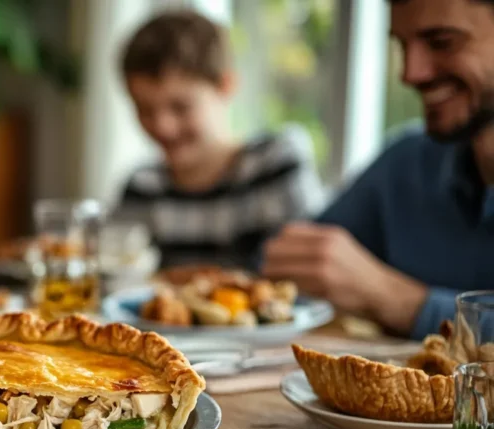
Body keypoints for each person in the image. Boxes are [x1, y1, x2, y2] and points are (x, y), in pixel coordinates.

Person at [262, 0, 494, 340]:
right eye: (401, 44)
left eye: (442, 42)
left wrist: (395, 300)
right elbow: (280, 271)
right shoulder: (405, 164)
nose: (410, 73)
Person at [116, 10, 325, 270]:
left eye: (180, 107)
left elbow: (307, 277)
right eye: (145, 109)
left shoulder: (274, 165)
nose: (163, 127)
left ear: (225, 86)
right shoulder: (141, 189)